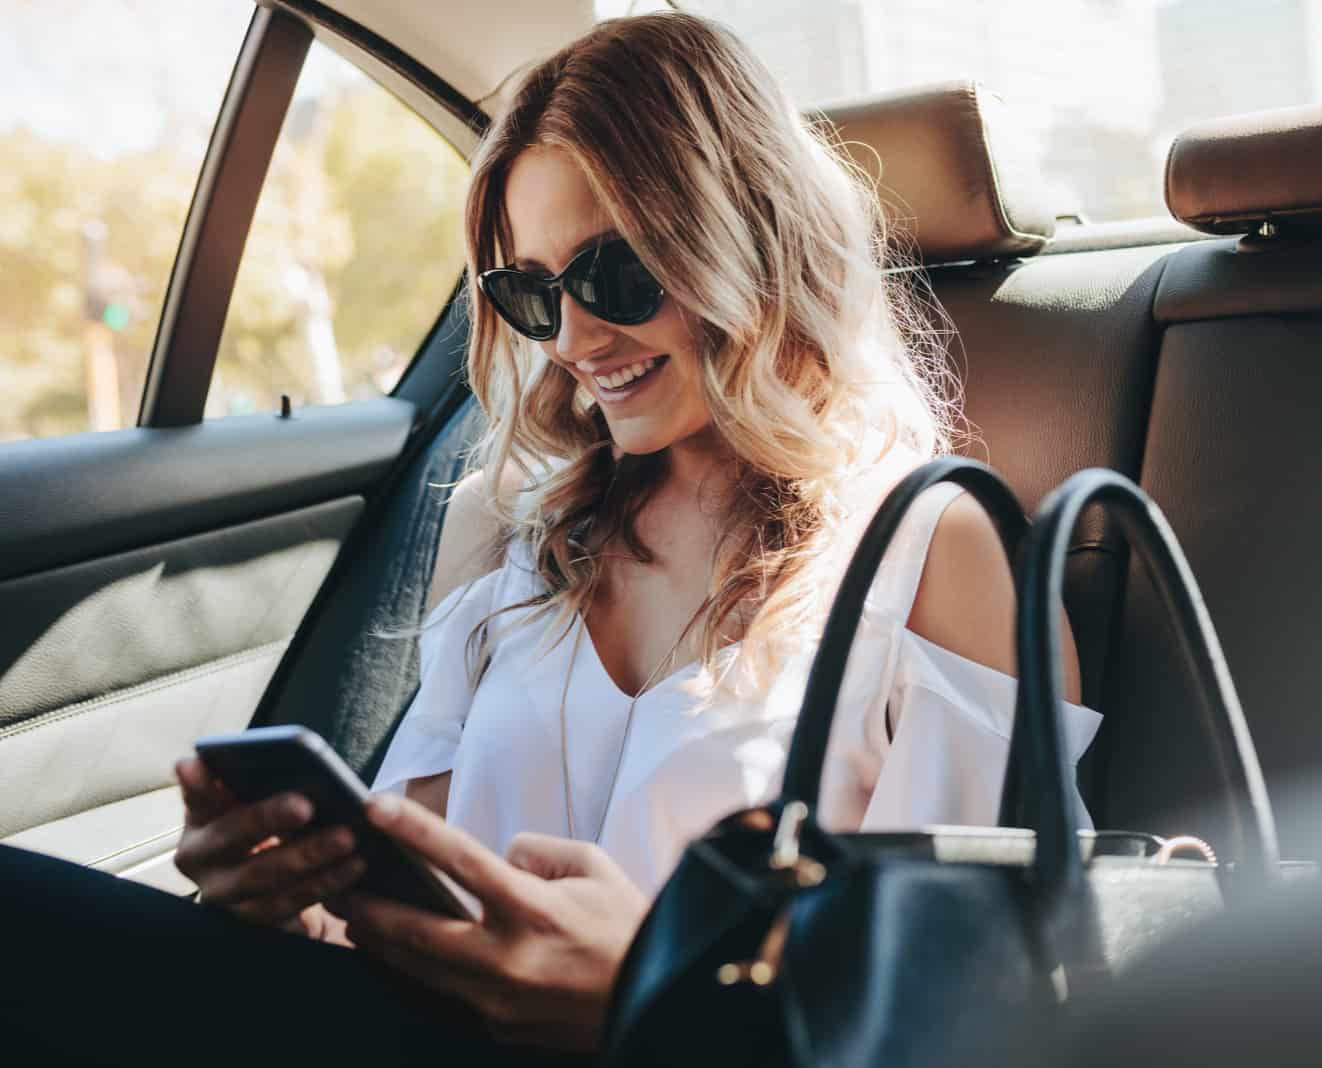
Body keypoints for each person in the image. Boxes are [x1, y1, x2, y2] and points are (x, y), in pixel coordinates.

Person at [0, 12, 1097, 1064]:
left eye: (615, 275)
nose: (572, 338)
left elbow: (968, 1016)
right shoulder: (515, 527)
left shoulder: (940, 554)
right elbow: (409, 908)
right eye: (530, 293)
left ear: (748, 245)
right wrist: (284, 903)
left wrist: (653, 999)